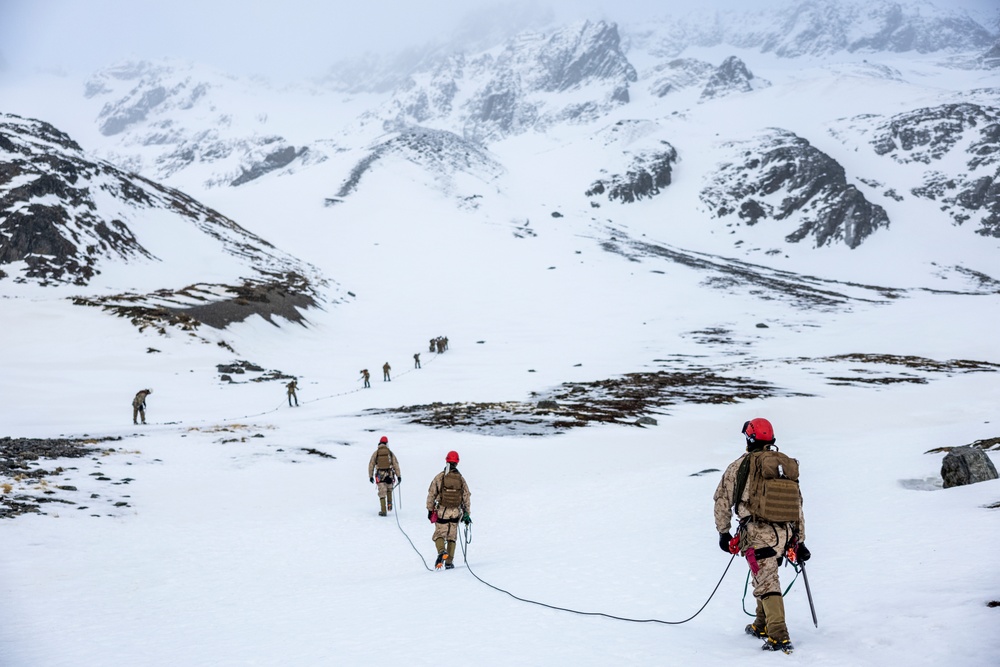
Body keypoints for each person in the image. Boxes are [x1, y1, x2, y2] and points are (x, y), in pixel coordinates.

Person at [713, 418, 810, 654]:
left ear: (749, 439)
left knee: (767, 582)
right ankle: (761, 624)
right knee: (764, 574)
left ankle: (778, 635)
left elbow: (722, 501)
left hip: (757, 533)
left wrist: (723, 533)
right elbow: (797, 505)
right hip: (785, 534)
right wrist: (800, 540)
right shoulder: (784, 467)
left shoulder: (739, 466)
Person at [426, 450, 472, 570]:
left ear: (446, 460)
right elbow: (466, 496)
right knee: (452, 537)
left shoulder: (440, 477)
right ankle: (449, 563)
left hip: (442, 511)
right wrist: (467, 513)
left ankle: (441, 551)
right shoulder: (460, 479)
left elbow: (431, 493)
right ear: (457, 462)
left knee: (439, 534)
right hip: (456, 512)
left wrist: (430, 509)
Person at [368, 436, 401, 516]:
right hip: (389, 475)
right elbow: (395, 464)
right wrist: (398, 476)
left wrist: (371, 476)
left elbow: (371, 464)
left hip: (380, 476)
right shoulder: (390, 453)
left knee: (382, 492)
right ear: (386, 443)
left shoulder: (376, 453)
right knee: (389, 489)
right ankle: (390, 505)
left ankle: (383, 510)